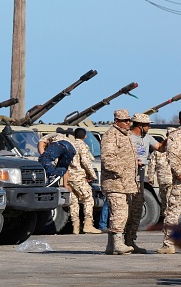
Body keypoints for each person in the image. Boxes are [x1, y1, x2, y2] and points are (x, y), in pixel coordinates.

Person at [126, 113, 166, 253]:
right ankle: (119, 242)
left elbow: (160, 148)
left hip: (139, 179)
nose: (149, 127)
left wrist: (168, 140)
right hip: (126, 180)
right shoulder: (127, 137)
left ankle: (130, 241)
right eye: (148, 125)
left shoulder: (147, 138)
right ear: (140, 125)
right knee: (124, 212)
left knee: (137, 211)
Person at [100, 109, 138, 255]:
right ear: (116, 121)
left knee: (118, 213)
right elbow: (108, 159)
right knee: (119, 213)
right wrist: (122, 171)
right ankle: (118, 243)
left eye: (129, 120)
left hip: (126, 184)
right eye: (125, 120)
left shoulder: (125, 135)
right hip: (115, 183)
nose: (128, 123)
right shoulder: (111, 135)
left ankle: (111, 246)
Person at [67, 128, 101, 234]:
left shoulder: (70, 145)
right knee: (88, 199)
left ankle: (75, 227)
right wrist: (93, 175)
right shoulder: (83, 146)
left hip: (69, 177)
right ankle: (88, 225)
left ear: (74, 135)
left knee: (73, 202)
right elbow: (86, 161)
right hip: (79, 177)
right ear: (85, 136)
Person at [158, 116, 181, 254]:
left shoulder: (175, 136)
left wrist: (178, 173)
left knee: (173, 211)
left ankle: (169, 244)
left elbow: (172, 156)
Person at [147, 130, 173, 215]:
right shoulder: (158, 151)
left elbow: (151, 165)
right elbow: (151, 165)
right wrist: (150, 178)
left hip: (170, 181)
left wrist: (151, 178)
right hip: (164, 181)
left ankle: (168, 218)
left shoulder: (174, 150)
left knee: (169, 201)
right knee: (166, 201)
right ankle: (167, 218)